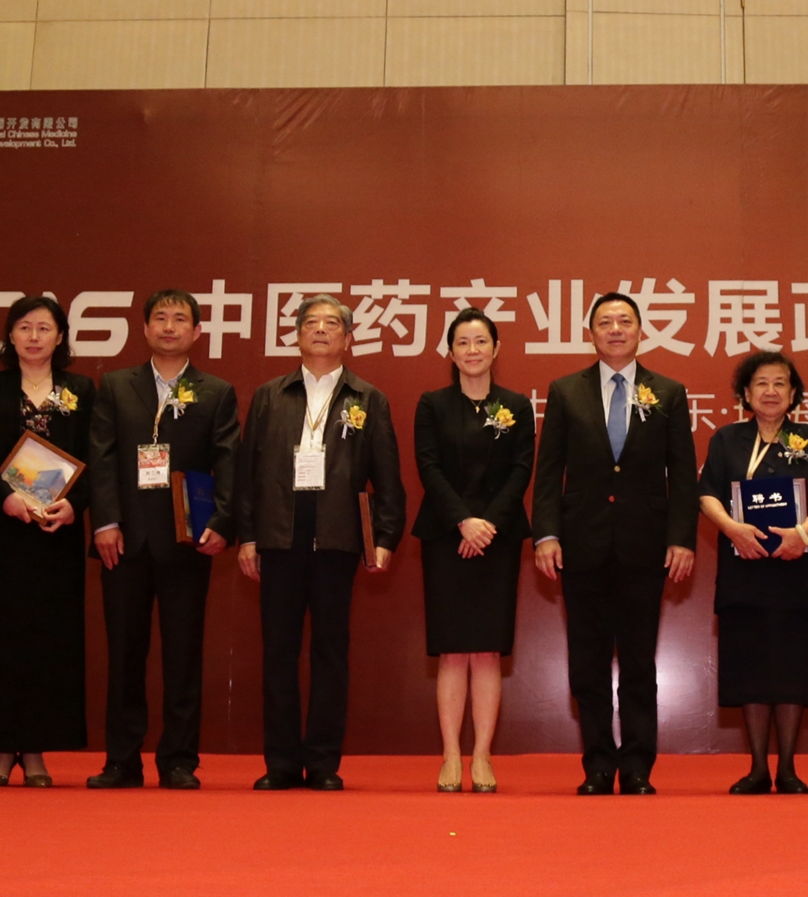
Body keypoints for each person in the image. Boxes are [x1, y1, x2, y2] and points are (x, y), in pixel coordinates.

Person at [234, 294, 406, 791]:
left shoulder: (367, 398)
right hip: (278, 535)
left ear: (349, 338)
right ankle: (282, 762)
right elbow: (247, 473)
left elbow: (387, 477)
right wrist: (248, 536)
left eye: (332, 324)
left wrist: (384, 537)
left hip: (337, 536)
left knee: (331, 653)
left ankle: (325, 761)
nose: (321, 330)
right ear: (297, 335)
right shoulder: (270, 395)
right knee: (278, 653)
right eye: (311, 323)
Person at [532, 291, 698, 795]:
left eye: (625, 321)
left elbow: (683, 475)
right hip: (581, 545)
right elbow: (549, 471)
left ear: (640, 331)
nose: (616, 329)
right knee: (588, 662)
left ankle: (639, 766)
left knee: (639, 662)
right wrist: (546, 533)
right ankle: (598, 765)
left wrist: (682, 539)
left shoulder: (668, 392)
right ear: (592, 334)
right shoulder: (566, 391)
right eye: (605, 322)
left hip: (644, 546)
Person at [85, 289, 239, 790]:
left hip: (186, 539)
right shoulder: (116, 385)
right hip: (124, 539)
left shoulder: (216, 391)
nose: (169, 327)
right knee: (124, 655)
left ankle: (178, 760)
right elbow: (102, 457)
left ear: (197, 332)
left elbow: (228, 461)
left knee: (183, 655)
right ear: (145, 328)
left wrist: (222, 522)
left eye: (180, 319)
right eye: (160, 318)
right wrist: (105, 522)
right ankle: (121, 760)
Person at [0, 296, 94, 787]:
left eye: (44, 328)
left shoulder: (80, 389)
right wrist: (5, 496)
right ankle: (0, 748)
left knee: (49, 640)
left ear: (60, 336)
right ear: (10, 335)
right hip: (2, 527)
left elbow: (97, 456)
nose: (33, 336)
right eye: (24, 327)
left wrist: (76, 505)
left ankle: (35, 750)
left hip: (55, 532)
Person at [699, 351, 808, 794]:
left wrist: (804, 533)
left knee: (793, 666)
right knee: (752, 667)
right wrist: (732, 529)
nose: (771, 391)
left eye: (780, 383)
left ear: (794, 393)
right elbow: (707, 494)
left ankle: (789, 769)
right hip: (744, 568)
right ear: (745, 393)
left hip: (797, 569)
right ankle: (758, 768)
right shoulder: (727, 439)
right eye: (761, 383)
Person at [412, 308, 534, 794]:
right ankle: (450, 754)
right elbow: (428, 466)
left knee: (486, 651)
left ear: (496, 349)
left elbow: (522, 469)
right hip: (447, 535)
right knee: (452, 651)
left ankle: (481, 754)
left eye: (481, 341)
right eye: (462, 342)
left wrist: (488, 524)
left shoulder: (516, 405)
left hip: (497, 539)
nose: (472, 350)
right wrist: (463, 520)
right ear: (450, 352)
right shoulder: (432, 404)